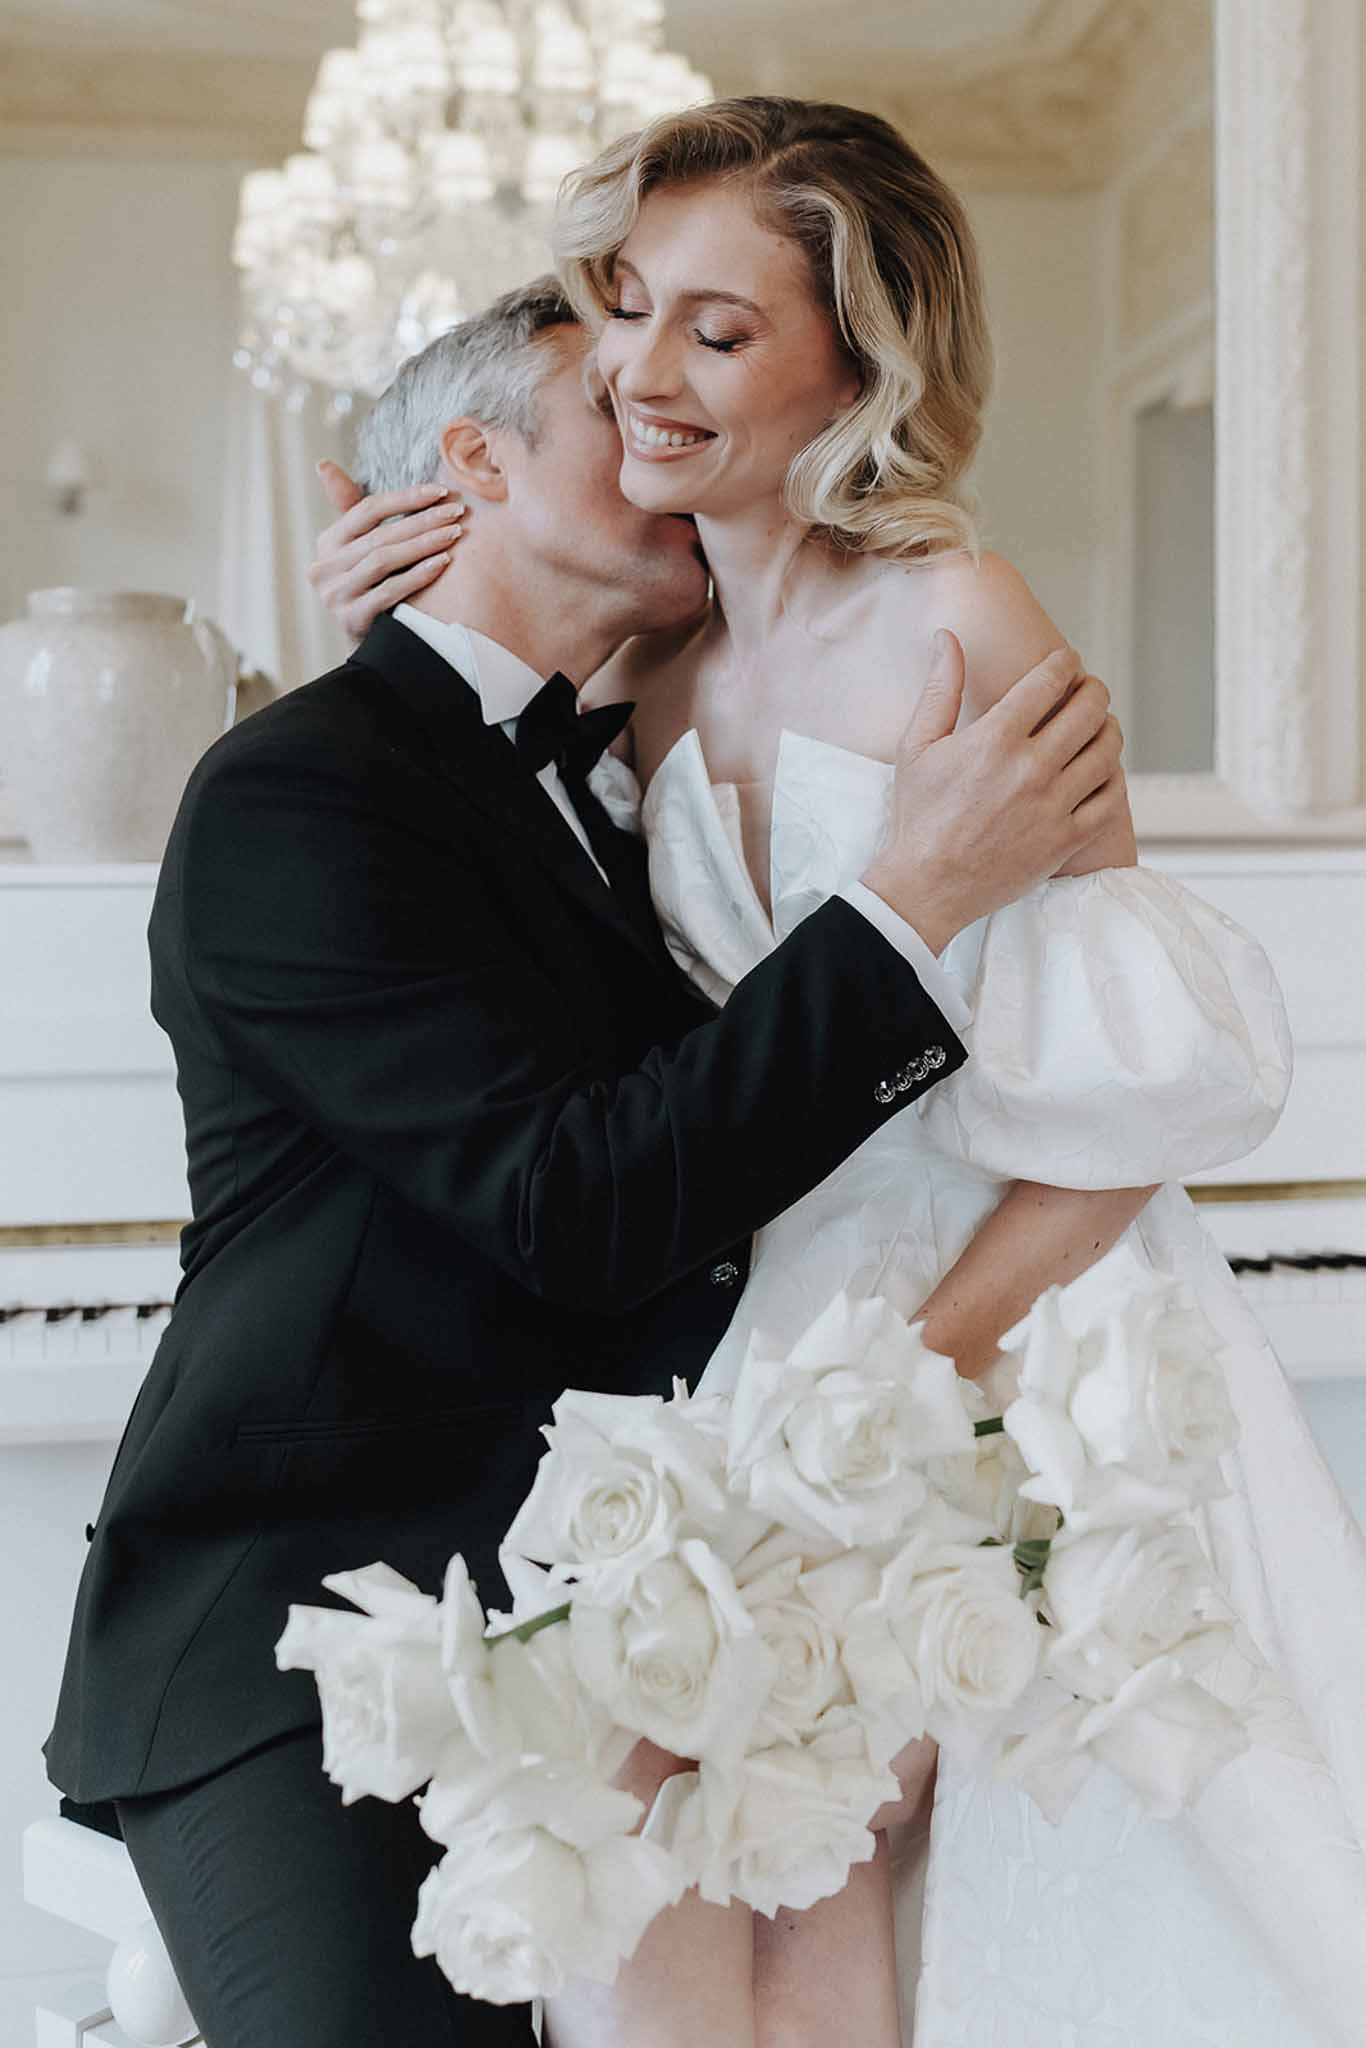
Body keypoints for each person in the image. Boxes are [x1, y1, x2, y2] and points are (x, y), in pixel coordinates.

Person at [315, 96, 1366, 2048]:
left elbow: (1126, 1116)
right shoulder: (646, 675)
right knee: (732, 1831)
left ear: (856, 367)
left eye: (718, 332)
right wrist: (378, 614)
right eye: (625, 306)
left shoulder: (957, 623)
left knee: (905, 1841)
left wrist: (909, 1376)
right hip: (770, 1326)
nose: (637, 367)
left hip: (1020, 1321)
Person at [42, 275, 1127, 2048]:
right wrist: (912, 898)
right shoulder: (297, 790)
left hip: (619, 1599)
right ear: (474, 459)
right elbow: (579, 1199)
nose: (669, 447)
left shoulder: (629, 755)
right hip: (305, 1625)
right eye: (614, 418)